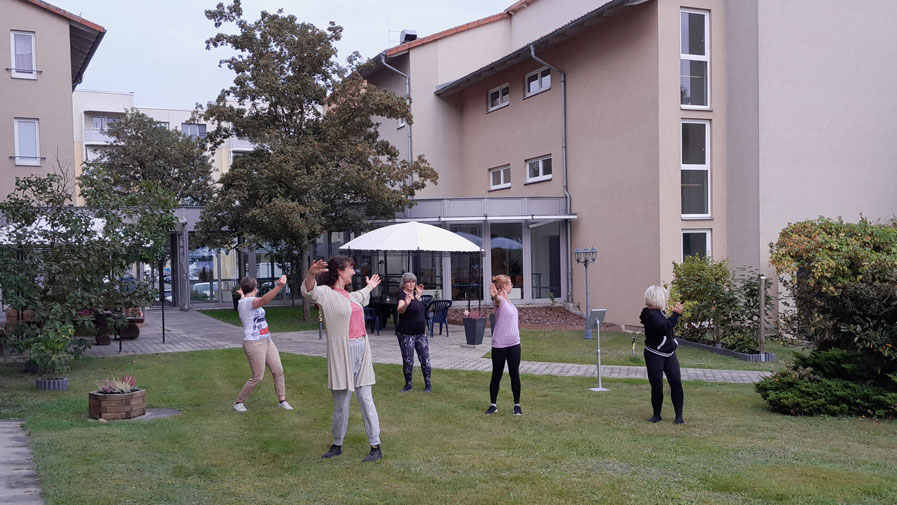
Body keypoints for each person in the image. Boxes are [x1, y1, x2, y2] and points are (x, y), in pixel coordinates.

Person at [302, 256, 384, 463]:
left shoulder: (349, 296)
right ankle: (337, 444)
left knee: (366, 398)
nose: (354, 272)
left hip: (362, 350)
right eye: (351, 268)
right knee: (341, 403)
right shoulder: (327, 294)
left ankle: (376, 446)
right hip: (342, 352)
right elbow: (308, 292)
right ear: (339, 271)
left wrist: (370, 287)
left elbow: (361, 296)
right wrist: (311, 273)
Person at [233, 274, 293, 412]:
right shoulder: (248, 302)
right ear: (255, 288)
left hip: (267, 340)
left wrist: (241, 294)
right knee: (257, 377)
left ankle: (282, 400)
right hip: (253, 343)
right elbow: (264, 300)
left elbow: (246, 299)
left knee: (278, 370)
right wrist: (279, 286)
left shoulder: (244, 300)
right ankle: (238, 402)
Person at [639, 285, 685, 424]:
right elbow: (664, 328)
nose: (666, 299)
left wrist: (672, 315)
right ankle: (657, 415)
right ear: (657, 298)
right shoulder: (650, 315)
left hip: (669, 353)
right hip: (654, 354)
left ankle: (679, 416)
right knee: (657, 385)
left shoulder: (660, 312)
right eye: (664, 297)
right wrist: (676, 314)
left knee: (676, 382)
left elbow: (667, 328)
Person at [486, 274, 522, 416]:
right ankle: (493, 405)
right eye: (510, 283)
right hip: (500, 344)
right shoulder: (500, 300)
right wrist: (495, 295)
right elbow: (497, 300)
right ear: (504, 286)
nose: (512, 285)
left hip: (514, 344)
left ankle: (517, 405)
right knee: (497, 374)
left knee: (515, 374)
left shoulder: (509, 301)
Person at [395, 272, 432, 393]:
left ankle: (428, 385)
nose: (411, 283)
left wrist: (419, 295)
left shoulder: (415, 296)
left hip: (420, 334)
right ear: (403, 284)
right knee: (408, 360)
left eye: (413, 281)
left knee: (425, 359)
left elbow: (416, 308)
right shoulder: (402, 296)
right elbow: (400, 310)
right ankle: (408, 385)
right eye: (408, 281)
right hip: (407, 334)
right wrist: (406, 303)